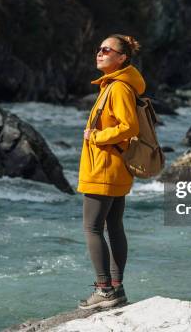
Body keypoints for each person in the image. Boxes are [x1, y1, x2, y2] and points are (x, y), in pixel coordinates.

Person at [77, 34, 145, 309]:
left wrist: (96, 136)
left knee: (92, 228)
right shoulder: (115, 86)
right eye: (99, 49)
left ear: (122, 58)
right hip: (114, 167)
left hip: (104, 167)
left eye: (107, 50)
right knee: (114, 227)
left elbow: (129, 127)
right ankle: (116, 289)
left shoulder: (118, 88)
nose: (100, 53)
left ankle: (105, 290)